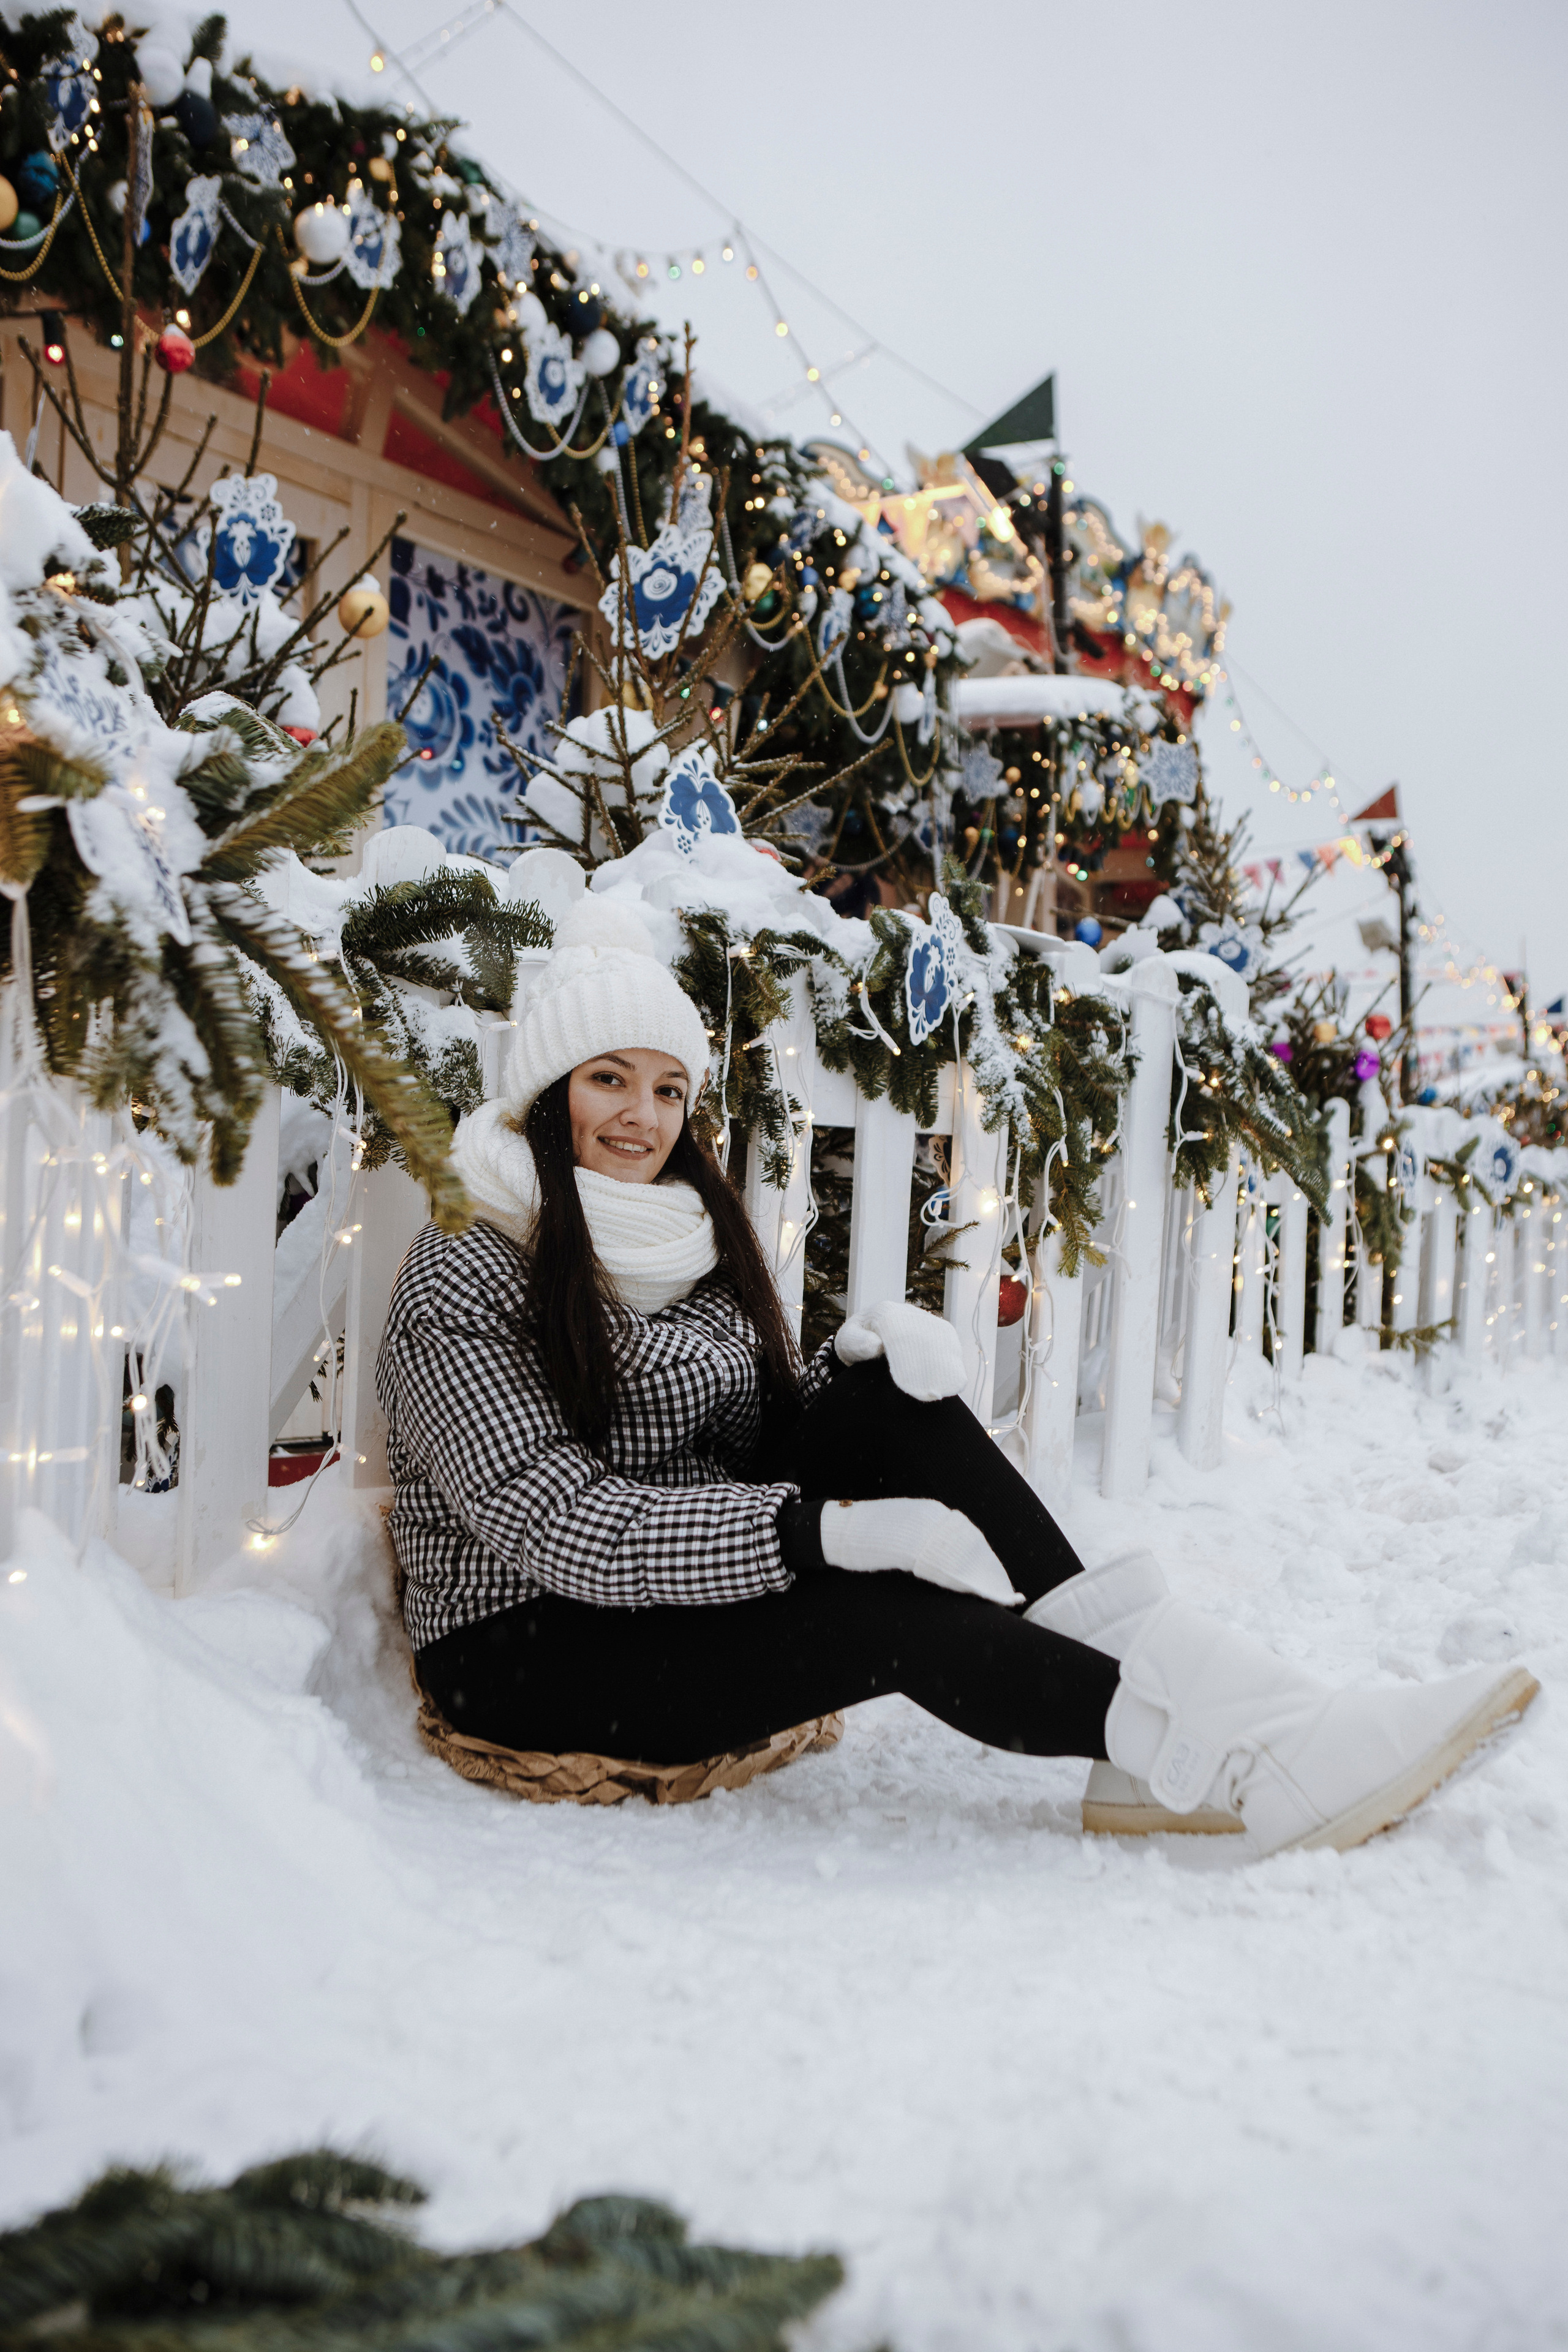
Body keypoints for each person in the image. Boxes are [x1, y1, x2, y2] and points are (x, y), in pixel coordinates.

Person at [377, 900, 1537, 1856]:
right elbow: (565, 1524)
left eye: (669, 1089)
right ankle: (1218, 1756)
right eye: (608, 1081)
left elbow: (742, 1432)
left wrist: (855, 1375)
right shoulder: (463, 1272)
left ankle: (1218, 1705)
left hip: (681, 1574)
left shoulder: (677, 1229)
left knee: (900, 1404)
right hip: (535, 1644)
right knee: (883, 1615)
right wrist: (820, 1536)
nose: (642, 1118)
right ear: (544, 1094)